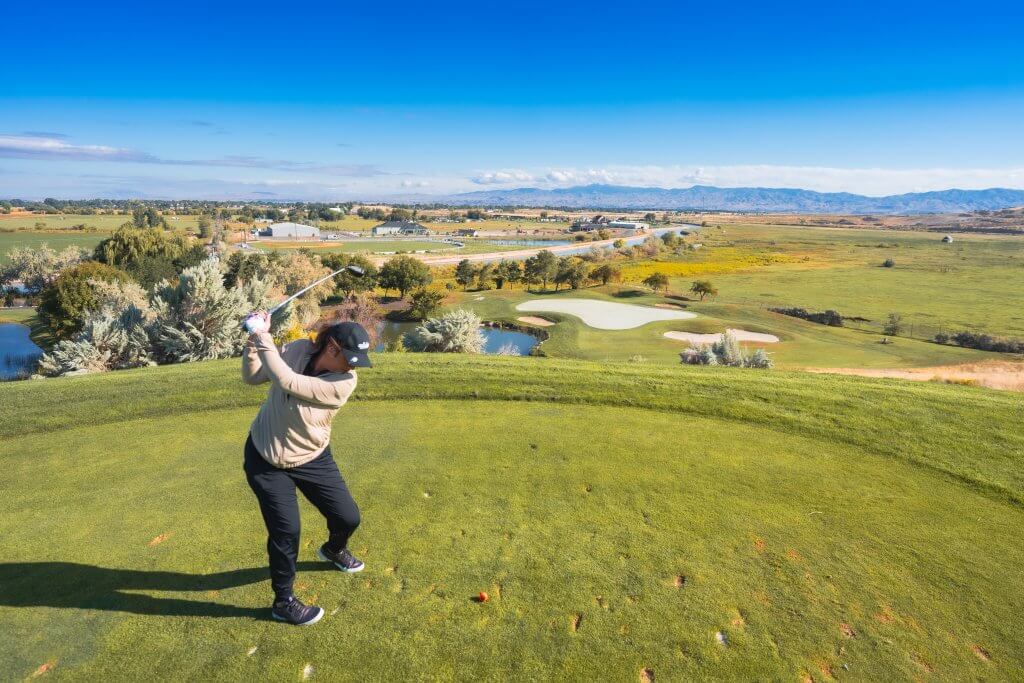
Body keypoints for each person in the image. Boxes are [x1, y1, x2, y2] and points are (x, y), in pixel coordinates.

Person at [241, 313, 373, 626]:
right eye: (351, 359)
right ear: (332, 348)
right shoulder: (299, 349)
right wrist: (252, 342)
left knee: (348, 517)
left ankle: (334, 549)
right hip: (266, 458)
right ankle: (283, 602)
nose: (354, 366)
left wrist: (263, 337)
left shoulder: (344, 383)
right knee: (286, 531)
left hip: (312, 456)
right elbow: (254, 377)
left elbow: (287, 381)